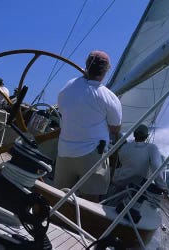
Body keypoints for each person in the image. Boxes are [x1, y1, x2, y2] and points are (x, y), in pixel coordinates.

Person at [54, 50, 122, 202]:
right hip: (91, 155)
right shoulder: (109, 97)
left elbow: (63, 110)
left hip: (64, 151)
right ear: (106, 71)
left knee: (59, 197)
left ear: (86, 65)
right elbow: (115, 128)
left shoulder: (68, 87)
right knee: (90, 202)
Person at [112, 124, 168, 193]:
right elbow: (156, 167)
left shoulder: (124, 147)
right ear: (147, 136)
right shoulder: (152, 148)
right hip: (137, 186)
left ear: (134, 134)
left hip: (121, 182)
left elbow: (120, 162)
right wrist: (162, 187)